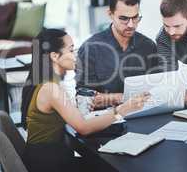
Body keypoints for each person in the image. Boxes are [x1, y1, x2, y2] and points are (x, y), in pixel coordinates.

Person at [21, 29, 150, 172]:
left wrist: (110, 99)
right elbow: (83, 128)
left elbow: (68, 111)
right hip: (48, 164)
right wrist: (122, 110)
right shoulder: (51, 88)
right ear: (55, 56)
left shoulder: (45, 82)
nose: (76, 55)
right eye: (71, 50)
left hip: (45, 157)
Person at [75, 0, 159, 110]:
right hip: (105, 121)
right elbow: (84, 100)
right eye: (124, 18)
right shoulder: (90, 49)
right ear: (110, 14)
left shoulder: (148, 46)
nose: (131, 24)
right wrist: (124, 98)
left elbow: (156, 91)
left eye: (135, 17)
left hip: (143, 115)